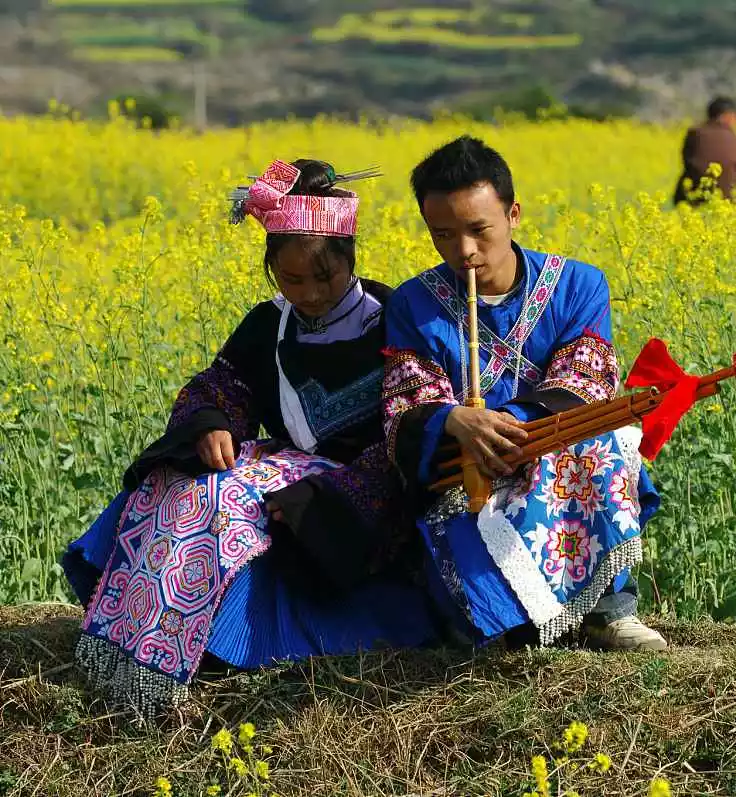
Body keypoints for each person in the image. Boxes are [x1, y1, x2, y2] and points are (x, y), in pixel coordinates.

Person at [62, 159, 436, 715]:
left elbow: (413, 423)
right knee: (178, 487)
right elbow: (222, 386)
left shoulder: (393, 321)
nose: (310, 293)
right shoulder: (269, 326)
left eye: (325, 277)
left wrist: (335, 495)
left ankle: (213, 640)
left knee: (222, 501)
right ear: (272, 271)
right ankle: (141, 655)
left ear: (351, 259)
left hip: (363, 488)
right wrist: (212, 422)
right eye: (292, 279)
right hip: (283, 467)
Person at [383, 136, 668, 652]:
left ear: (513, 214)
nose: (463, 251)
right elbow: (408, 403)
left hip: (560, 453)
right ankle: (508, 618)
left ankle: (605, 612)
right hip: (470, 476)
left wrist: (506, 423)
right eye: (443, 235)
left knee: (607, 434)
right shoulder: (411, 303)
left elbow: (584, 382)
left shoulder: (578, 285)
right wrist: (452, 419)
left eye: (478, 230)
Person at [673, 96, 736, 206]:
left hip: (695, 201)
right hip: (731, 205)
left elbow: (686, 162)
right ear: (728, 116)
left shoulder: (694, 134)